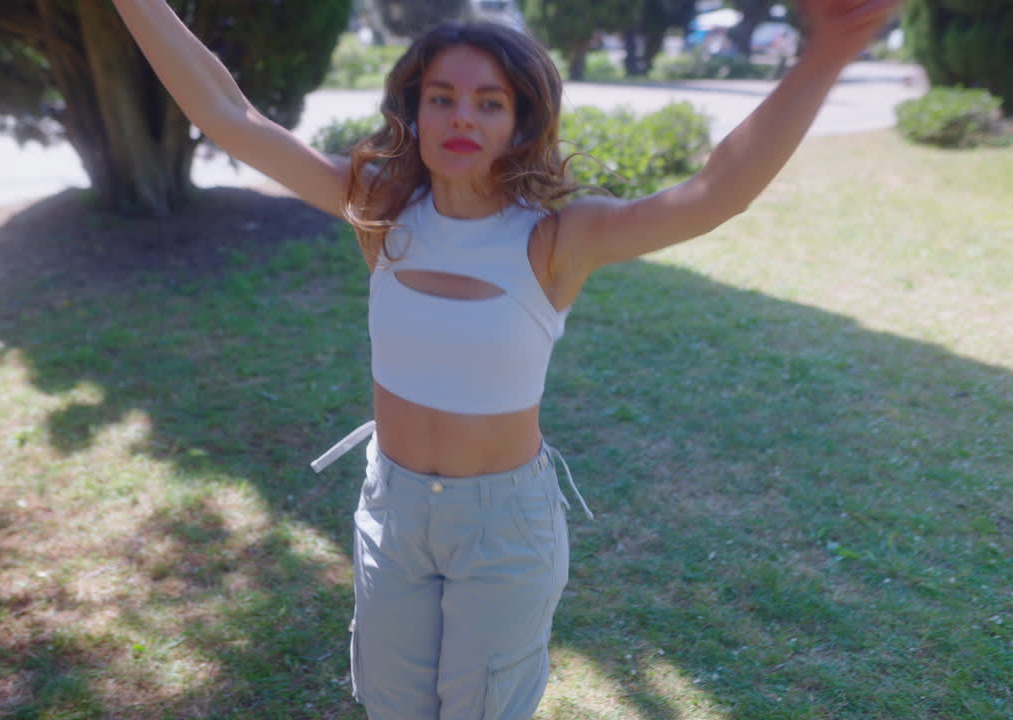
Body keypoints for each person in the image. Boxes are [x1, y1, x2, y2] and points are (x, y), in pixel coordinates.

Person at [113, 1, 897, 718]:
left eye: (490, 102)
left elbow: (716, 191)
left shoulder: (559, 238)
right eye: (443, 97)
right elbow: (229, 113)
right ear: (413, 111)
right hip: (394, 509)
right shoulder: (381, 208)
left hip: (504, 528)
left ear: (521, 122)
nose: (464, 116)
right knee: (390, 704)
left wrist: (826, 53)